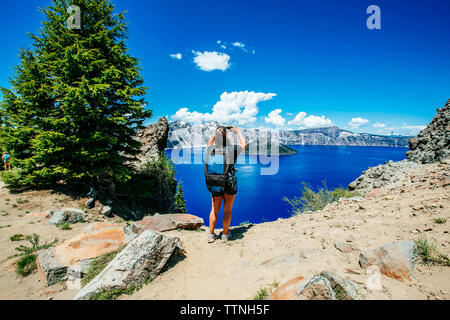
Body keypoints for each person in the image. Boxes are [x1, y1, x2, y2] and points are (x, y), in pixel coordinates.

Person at [206, 126, 246, 243]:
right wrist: (238, 132)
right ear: (226, 137)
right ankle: (224, 234)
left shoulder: (211, 150)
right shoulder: (231, 149)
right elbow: (244, 145)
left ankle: (211, 234)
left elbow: (208, 144)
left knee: (214, 209)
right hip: (229, 182)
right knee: (227, 210)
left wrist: (216, 134)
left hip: (215, 181)